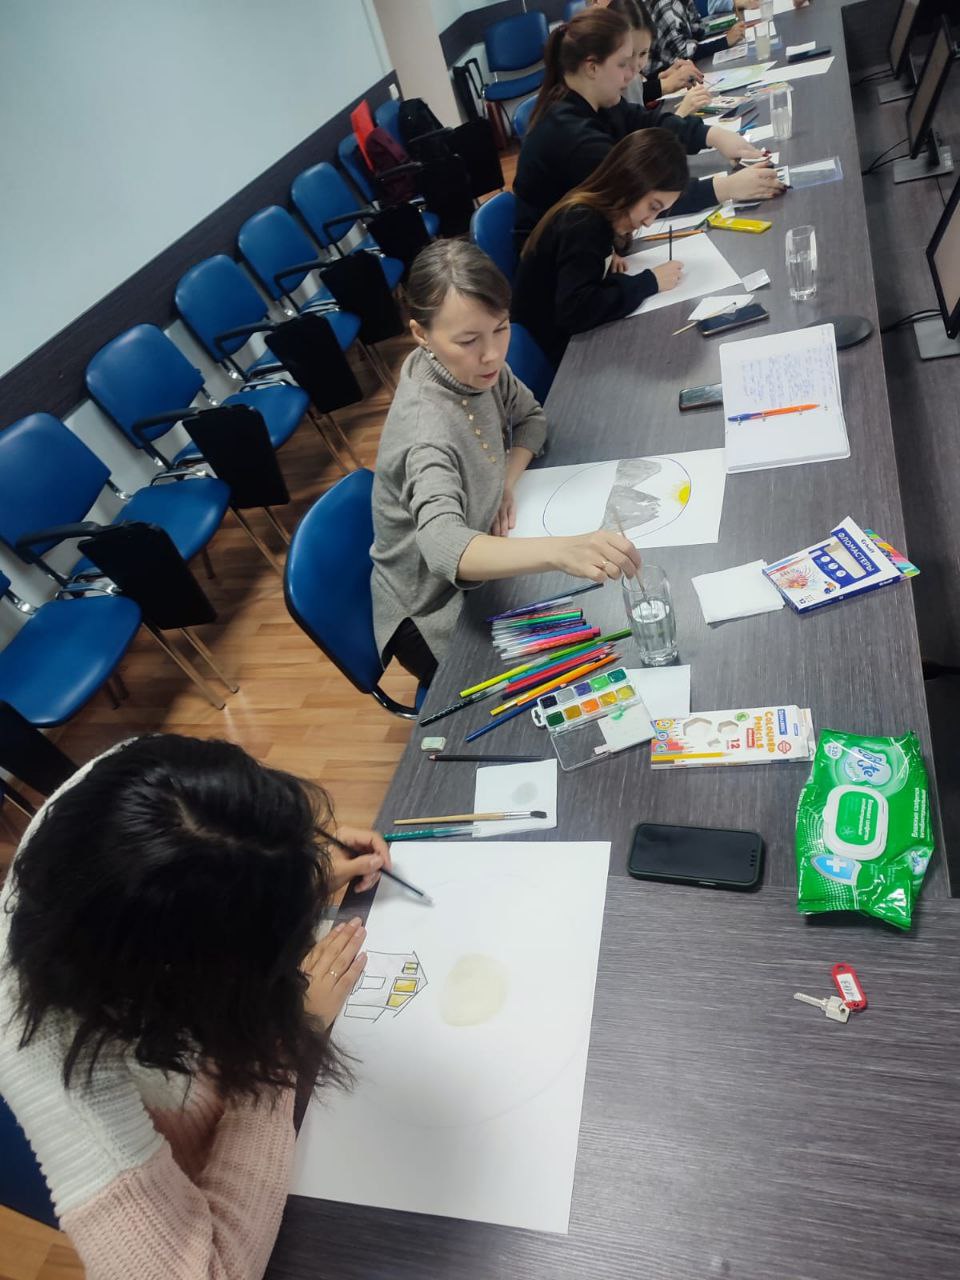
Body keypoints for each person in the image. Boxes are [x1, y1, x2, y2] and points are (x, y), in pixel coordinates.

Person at [0, 733, 391, 1280]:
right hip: (183, 1140)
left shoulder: (128, 775)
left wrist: (286, 867)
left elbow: (183, 871)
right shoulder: (62, 1064)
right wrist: (286, 1043)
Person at [370, 239, 641, 686]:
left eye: (501, 328)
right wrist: (561, 551)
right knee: (578, 674)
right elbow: (444, 547)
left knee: (600, 622)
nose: (493, 353)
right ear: (421, 334)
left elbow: (532, 420)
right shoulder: (426, 430)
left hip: (485, 553)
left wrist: (504, 482)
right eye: (468, 340)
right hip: (434, 607)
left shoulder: (474, 370)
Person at [512, 7, 783, 250]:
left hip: (587, 246)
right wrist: (727, 187)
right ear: (592, 67)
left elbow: (647, 122)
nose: (632, 74)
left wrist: (713, 135)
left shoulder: (593, 101)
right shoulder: (571, 135)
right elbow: (641, 195)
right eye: (622, 64)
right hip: (559, 263)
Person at [513, 130, 689, 365]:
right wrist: (650, 282)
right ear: (630, 183)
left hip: (557, 335)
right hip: (551, 353)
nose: (649, 222)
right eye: (653, 207)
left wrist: (606, 254)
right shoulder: (582, 223)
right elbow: (575, 312)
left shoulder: (595, 209)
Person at [608, 0, 711, 113]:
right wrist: (680, 115)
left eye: (643, 53)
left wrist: (659, 77)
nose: (635, 66)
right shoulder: (605, 97)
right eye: (629, 55)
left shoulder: (631, 79)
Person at [647, 0, 744, 72]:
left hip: (680, 67)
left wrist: (728, 26)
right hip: (661, 76)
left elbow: (697, 30)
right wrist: (725, 41)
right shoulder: (666, 7)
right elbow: (684, 54)